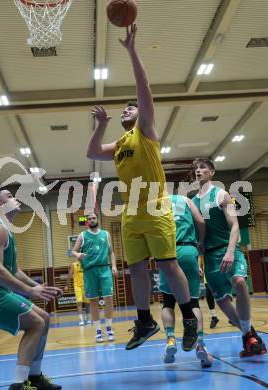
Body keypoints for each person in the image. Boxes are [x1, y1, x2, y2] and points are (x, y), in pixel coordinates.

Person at [86, 24, 198, 352]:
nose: (126, 109)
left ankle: (189, 314)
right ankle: (144, 320)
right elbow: (92, 152)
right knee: (135, 268)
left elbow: (144, 87)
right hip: (132, 213)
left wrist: (132, 52)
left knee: (166, 264)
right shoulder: (119, 143)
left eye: (130, 108)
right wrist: (102, 125)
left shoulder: (145, 130)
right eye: (124, 108)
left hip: (156, 207)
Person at [0, 189, 63, 390]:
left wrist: (38, 287)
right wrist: (29, 290)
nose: (15, 198)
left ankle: (35, 378)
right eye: (8, 196)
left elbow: (13, 270)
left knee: (44, 318)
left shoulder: (7, 231)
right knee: (35, 323)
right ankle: (19, 384)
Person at [192, 158, 267, 357]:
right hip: (209, 257)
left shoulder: (221, 194)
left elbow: (234, 225)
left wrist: (230, 252)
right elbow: (197, 234)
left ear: (212, 172)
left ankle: (249, 335)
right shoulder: (192, 202)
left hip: (228, 249)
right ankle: (249, 335)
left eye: (202, 168)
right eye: (196, 168)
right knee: (223, 301)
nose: (198, 171)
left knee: (240, 282)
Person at [159, 195, 213, 368]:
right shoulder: (186, 200)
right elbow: (201, 222)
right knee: (193, 302)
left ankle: (170, 340)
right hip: (189, 250)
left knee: (168, 301)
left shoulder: (158, 203)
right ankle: (200, 344)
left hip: (167, 252)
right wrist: (201, 242)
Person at [72, 213, 118, 342]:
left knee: (109, 298)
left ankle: (109, 328)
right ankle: (98, 330)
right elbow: (73, 251)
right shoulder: (82, 235)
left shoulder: (106, 234)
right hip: (89, 271)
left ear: (97, 220)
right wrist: (78, 254)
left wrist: (113, 266)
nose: (92, 220)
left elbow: (111, 252)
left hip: (105, 269)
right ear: (87, 222)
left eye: (94, 218)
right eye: (90, 219)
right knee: (93, 301)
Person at [64, 261, 91, 326]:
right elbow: (70, 275)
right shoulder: (74, 264)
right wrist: (67, 285)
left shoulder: (87, 263)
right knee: (79, 302)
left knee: (87, 303)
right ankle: (81, 320)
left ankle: (88, 319)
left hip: (86, 286)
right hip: (77, 286)